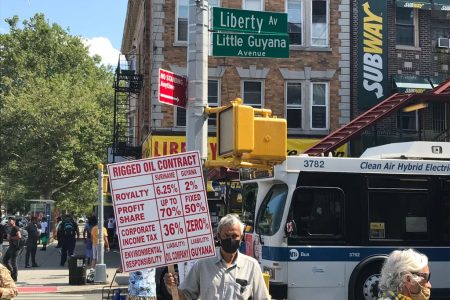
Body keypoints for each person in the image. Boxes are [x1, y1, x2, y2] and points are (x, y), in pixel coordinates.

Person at [164, 214, 270, 300]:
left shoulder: (251, 266)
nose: (231, 239)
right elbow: (185, 296)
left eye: (234, 236)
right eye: (227, 236)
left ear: (241, 238)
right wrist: (171, 287)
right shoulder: (203, 264)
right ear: (219, 236)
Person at [2, 217, 21, 282]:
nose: (9, 222)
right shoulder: (11, 228)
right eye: (9, 221)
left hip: (15, 248)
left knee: (13, 263)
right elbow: (9, 238)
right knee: (5, 260)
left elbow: (19, 236)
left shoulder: (16, 228)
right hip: (11, 247)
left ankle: (14, 277)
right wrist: (8, 237)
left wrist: (11, 237)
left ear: (14, 221)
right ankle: (12, 272)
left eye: (10, 221)